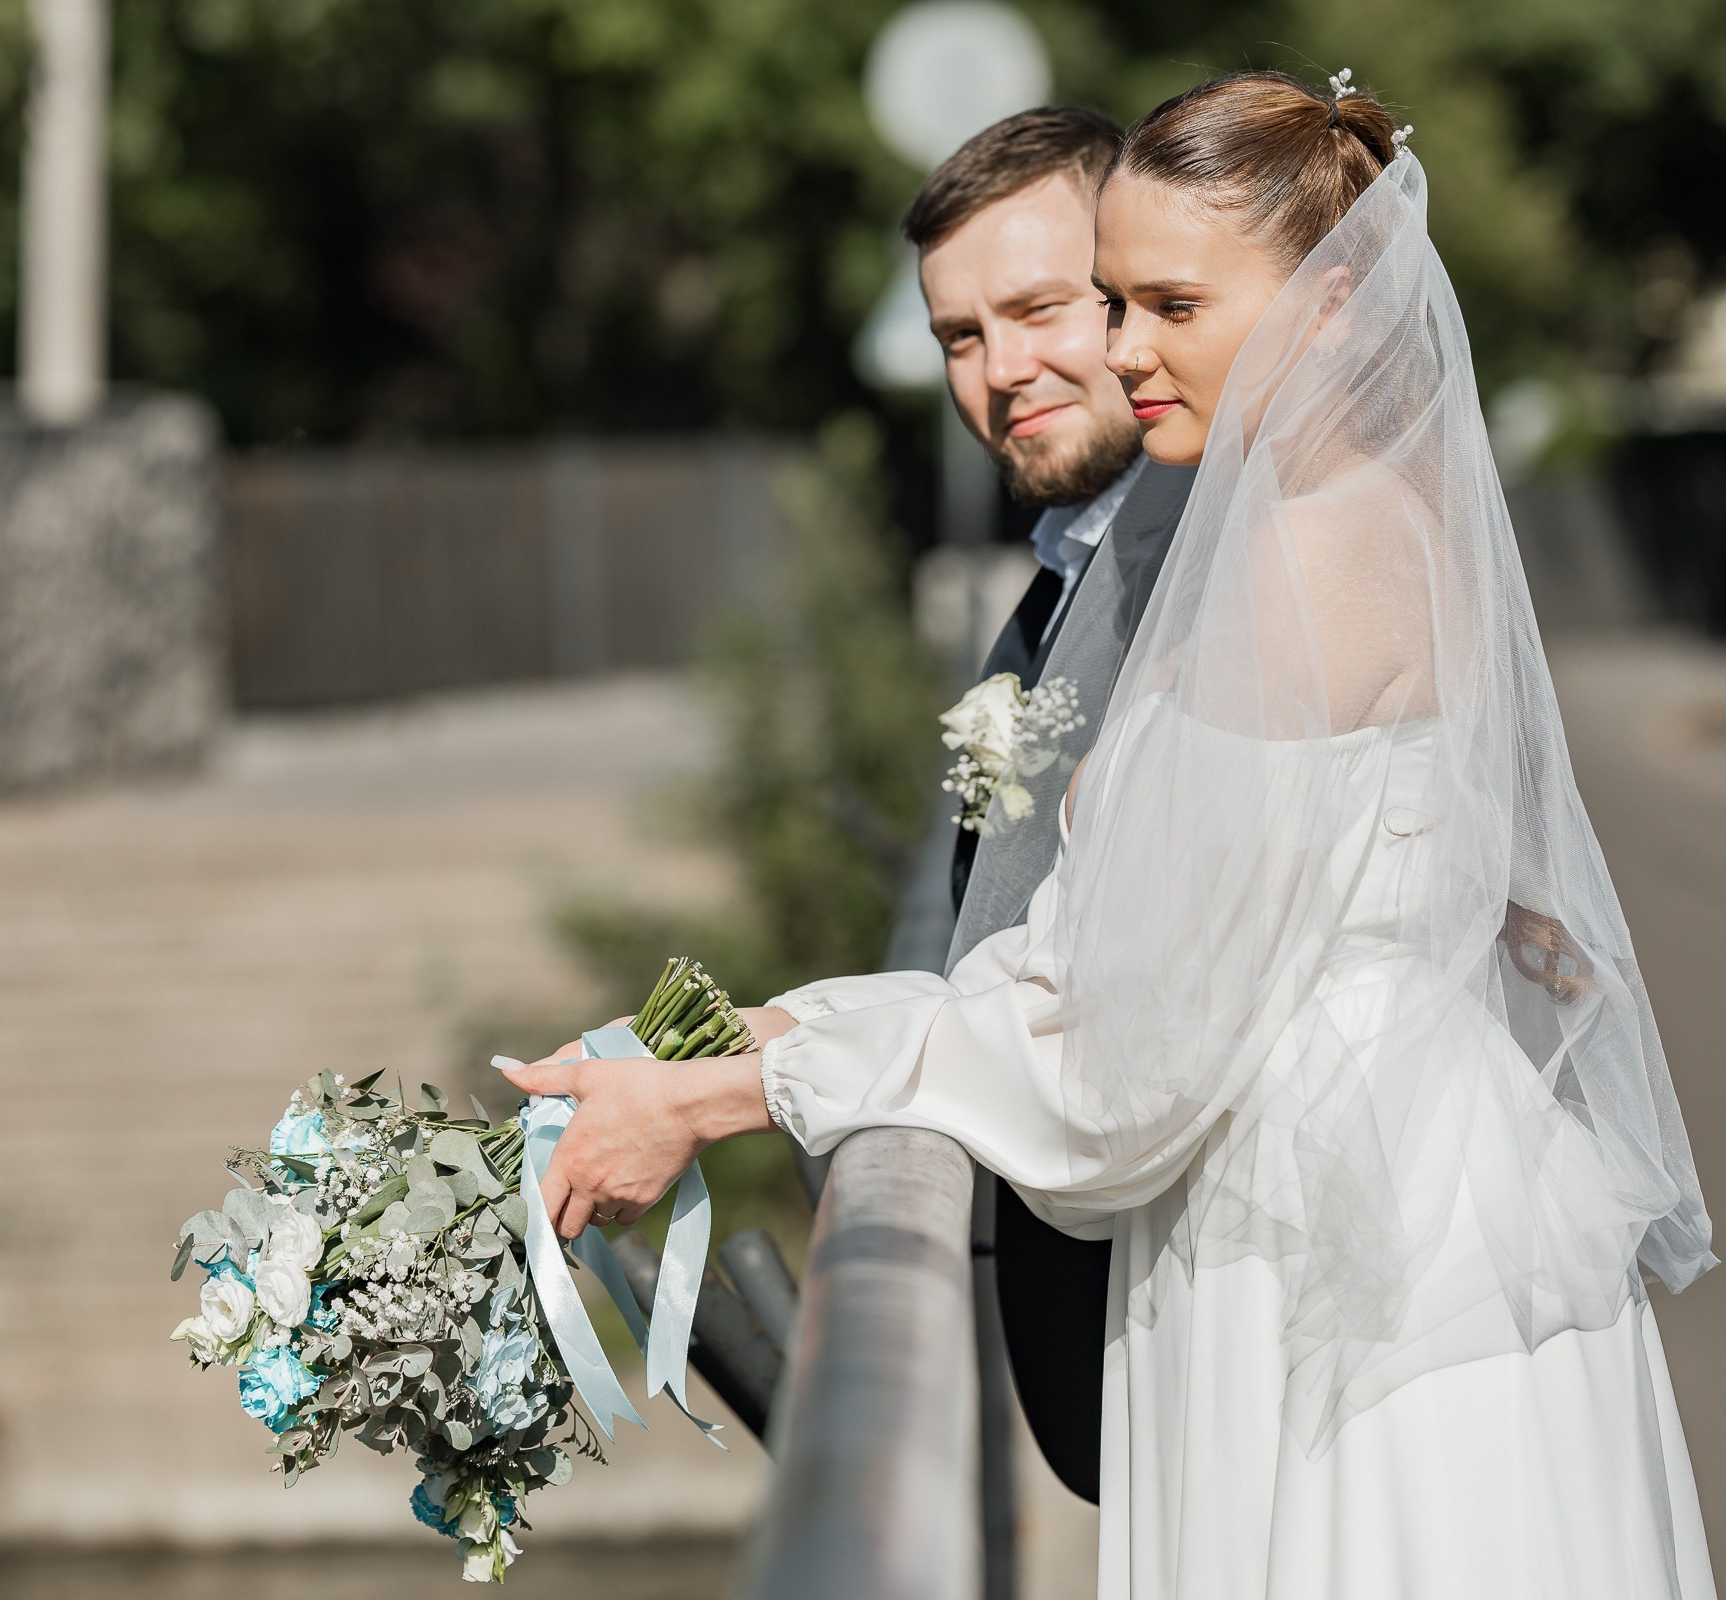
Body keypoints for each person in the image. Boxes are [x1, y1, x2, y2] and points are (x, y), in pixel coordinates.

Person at [507, 70, 1716, 1599]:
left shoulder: (1306, 565)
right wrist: (759, 1032)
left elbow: (1121, 1068)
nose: (1123, 349)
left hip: (1340, 1280)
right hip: (1358, 1217)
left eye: (1168, 305)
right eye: (1119, 304)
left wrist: (740, 1094)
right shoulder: (1345, 521)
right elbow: (1120, 968)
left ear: (1333, 310)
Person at [889, 104, 1199, 1506]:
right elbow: (956, 895)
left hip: (1197, 1320)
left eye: (1036, 309)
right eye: (961, 335)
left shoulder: (1216, 571)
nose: (1001, 370)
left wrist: (746, 1080)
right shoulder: (1058, 572)